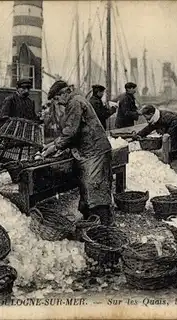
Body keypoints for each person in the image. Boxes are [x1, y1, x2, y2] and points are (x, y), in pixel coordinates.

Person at [42, 80, 114, 226]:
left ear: (64, 93)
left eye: (57, 98)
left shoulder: (74, 103)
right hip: (90, 151)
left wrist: (53, 148)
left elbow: (70, 133)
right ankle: (91, 222)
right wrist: (51, 143)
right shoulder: (77, 100)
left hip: (94, 151)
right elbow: (70, 130)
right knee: (88, 187)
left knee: (95, 188)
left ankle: (103, 227)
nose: (58, 103)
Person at [133, 105, 177, 170]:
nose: (145, 118)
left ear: (151, 114)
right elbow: (149, 128)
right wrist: (139, 134)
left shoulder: (165, 116)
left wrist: (168, 133)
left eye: (145, 116)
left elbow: (176, 121)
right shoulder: (155, 118)